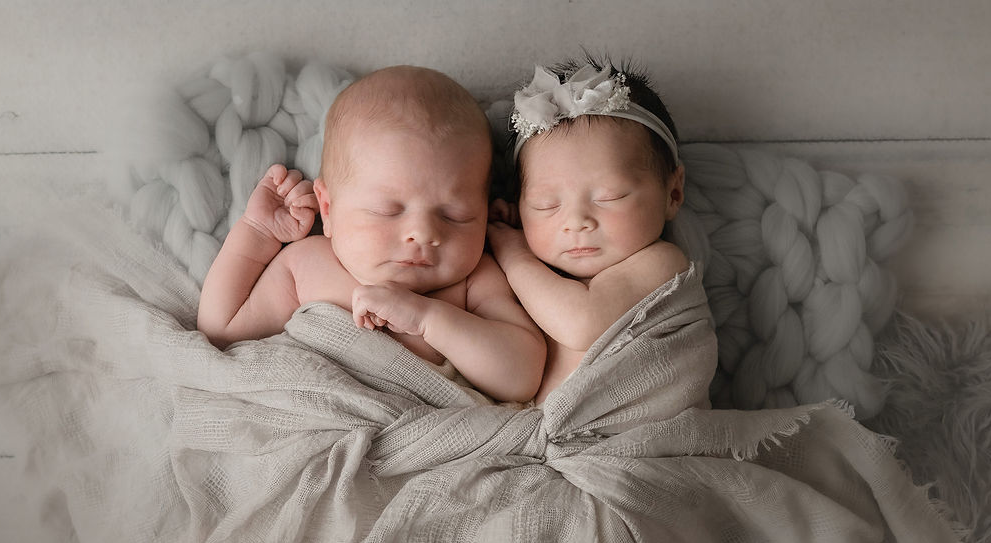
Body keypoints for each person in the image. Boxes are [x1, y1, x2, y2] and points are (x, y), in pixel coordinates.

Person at [197, 65, 545, 403]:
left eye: (454, 215)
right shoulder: (307, 264)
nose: (423, 233)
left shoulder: (472, 282)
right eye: (388, 211)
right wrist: (257, 232)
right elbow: (221, 332)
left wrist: (428, 319)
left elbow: (522, 378)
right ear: (329, 210)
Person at [488, 59, 690, 403]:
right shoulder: (534, 279)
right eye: (546, 205)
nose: (577, 221)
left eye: (610, 197)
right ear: (518, 207)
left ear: (672, 193)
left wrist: (512, 251)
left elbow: (581, 322)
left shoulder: (661, 263)